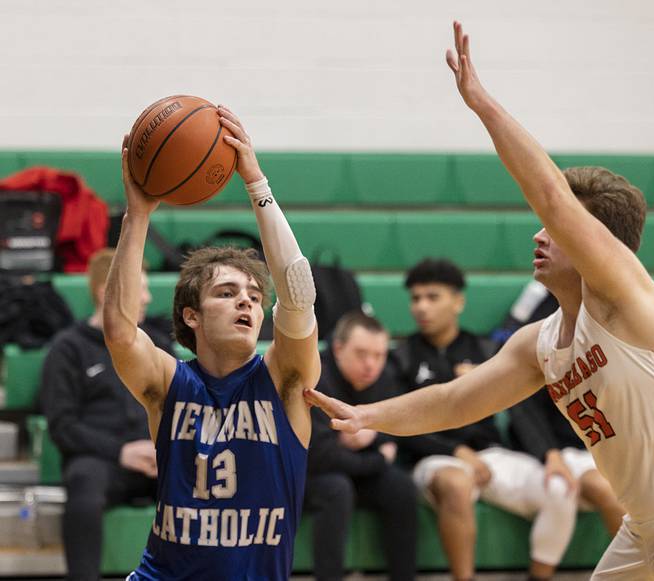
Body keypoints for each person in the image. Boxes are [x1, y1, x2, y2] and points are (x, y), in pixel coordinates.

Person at [305, 21, 654, 580]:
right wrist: (367, 415)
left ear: (591, 239)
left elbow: (554, 200)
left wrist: (481, 104)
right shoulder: (543, 342)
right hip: (646, 527)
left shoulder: (628, 301)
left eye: (554, 230)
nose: (539, 235)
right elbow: (456, 402)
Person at [105, 106, 320, 580]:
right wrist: (138, 214)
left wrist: (256, 184)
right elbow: (120, 332)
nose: (246, 301)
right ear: (191, 316)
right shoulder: (169, 382)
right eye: (227, 293)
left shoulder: (284, 380)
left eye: (254, 295)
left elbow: (299, 290)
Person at [393, 258, 580, 581]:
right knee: (456, 481)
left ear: (458, 301)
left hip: (491, 454)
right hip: (432, 459)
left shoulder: (487, 351)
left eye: (432, 297)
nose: (421, 307)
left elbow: (522, 408)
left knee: (560, 486)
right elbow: (398, 422)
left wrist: (549, 454)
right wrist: (456, 452)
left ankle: (540, 576)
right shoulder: (402, 356)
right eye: (415, 298)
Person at [40, 248, 170, 581]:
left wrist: (163, 448)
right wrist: (121, 452)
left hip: (156, 456)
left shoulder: (155, 344)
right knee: (84, 482)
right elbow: (62, 426)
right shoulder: (68, 348)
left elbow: (179, 407)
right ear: (106, 292)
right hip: (102, 461)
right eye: (140, 288)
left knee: (202, 478)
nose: (147, 298)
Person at [305, 311, 417, 581]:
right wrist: (378, 458)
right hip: (310, 477)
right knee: (336, 488)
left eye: (378, 355)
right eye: (362, 354)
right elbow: (319, 457)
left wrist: (372, 438)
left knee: (401, 486)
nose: (371, 365)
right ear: (338, 348)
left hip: (355, 469)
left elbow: (395, 433)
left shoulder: (385, 378)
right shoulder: (314, 377)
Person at [507, 390, 625, 536]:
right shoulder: (540, 371)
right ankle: (647, 558)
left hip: (603, 445)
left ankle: (650, 555)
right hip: (562, 451)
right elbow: (523, 407)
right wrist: (550, 454)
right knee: (607, 490)